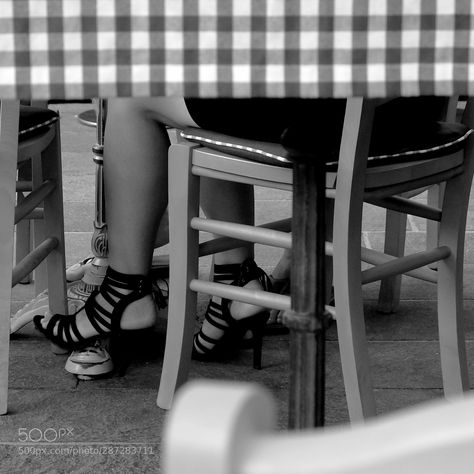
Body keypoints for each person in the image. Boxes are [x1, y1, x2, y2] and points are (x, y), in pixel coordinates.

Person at [34, 96, 449, 365]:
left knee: (133, 95)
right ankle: (234, 285)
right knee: (215, 75)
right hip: (414, 110)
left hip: (329, 120)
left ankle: (123, 290)